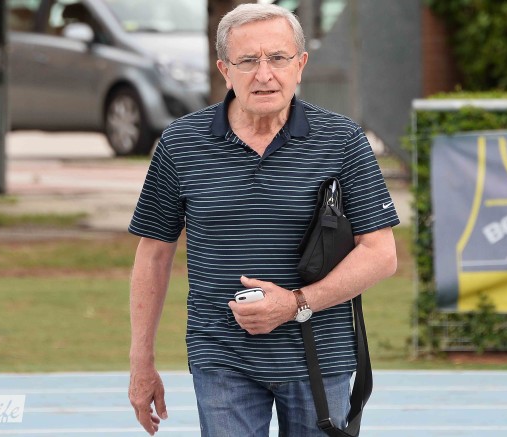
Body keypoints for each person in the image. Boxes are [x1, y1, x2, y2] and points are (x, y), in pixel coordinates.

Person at [127, 3, 399, 436]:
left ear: (300, 65)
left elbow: (381, 254)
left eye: (277, 58)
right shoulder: (181, 143)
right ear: (224, 70)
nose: (264, 74)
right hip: (221, 357)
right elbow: (154, 254)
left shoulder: (343, 140)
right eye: (248, 61)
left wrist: (295, 304)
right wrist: (141, 362)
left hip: (320, 355)